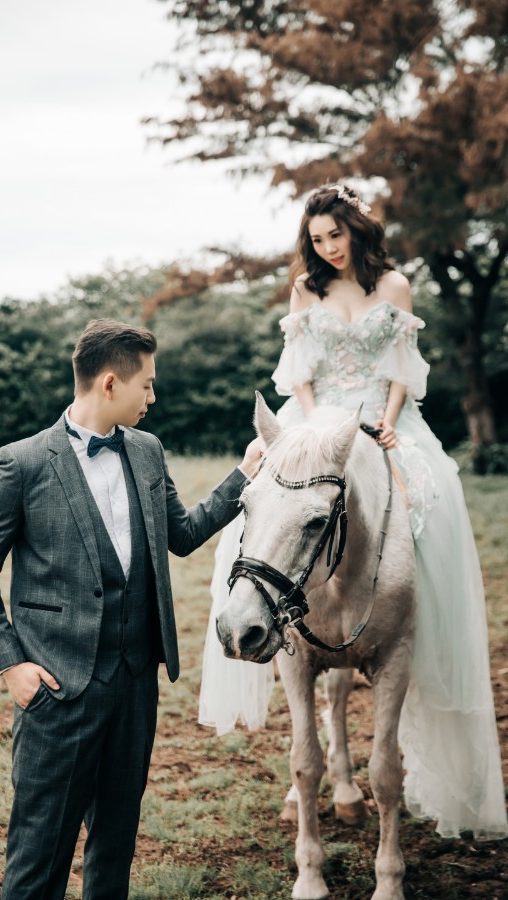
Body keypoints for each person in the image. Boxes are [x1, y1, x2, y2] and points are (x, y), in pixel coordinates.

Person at [199, 183, 508, 840]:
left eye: (335, 236)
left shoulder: (394, 285)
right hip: (317, 419)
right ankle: (261, 611)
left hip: (382, 419)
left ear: (357, 231)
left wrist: (384, 427)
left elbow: (400, 368)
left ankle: (421, 623)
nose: (327, 248)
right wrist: (317, 429)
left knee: (437, 492)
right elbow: (299, 373)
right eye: (316, 240)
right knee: (265, 498)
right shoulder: (305, 290)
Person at [0, 318, 262, 900]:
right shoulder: (22, 463)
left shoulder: (147, 452)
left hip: (134, 683)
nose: (153, 396)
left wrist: (244, 475)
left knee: (115, 845)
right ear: (109, 383)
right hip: (56, 688)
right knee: (39, 852)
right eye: (146, 384)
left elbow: (182, 533)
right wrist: (11, 663)